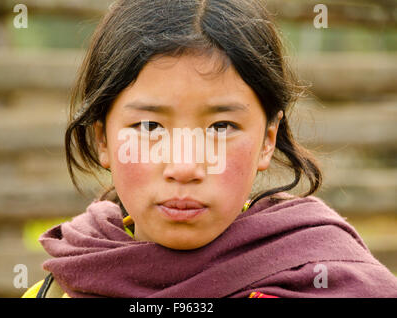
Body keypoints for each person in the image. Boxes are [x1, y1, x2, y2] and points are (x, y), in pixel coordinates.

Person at [22, 0, 397, 298]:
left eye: (221, 127)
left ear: (267, 140)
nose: (185, 167)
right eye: (150, 126)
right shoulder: (62, 288)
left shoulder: (333, 282)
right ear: (102, 140)